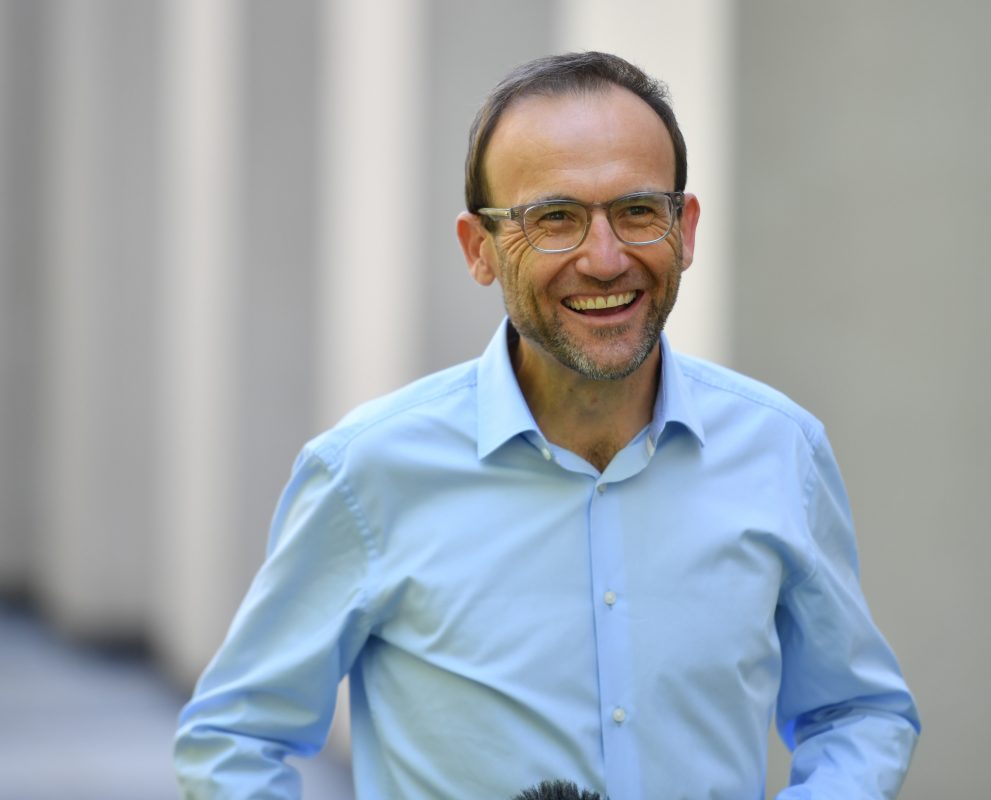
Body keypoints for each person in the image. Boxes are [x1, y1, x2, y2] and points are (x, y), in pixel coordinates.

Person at [174, 51, 920, 799]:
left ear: (684, 230)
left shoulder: (778, 450)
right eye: (554, 219)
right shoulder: (367, 472)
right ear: (480, 250)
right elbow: (235, 739)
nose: (604, 259)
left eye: (637, 212)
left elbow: (855, 711)